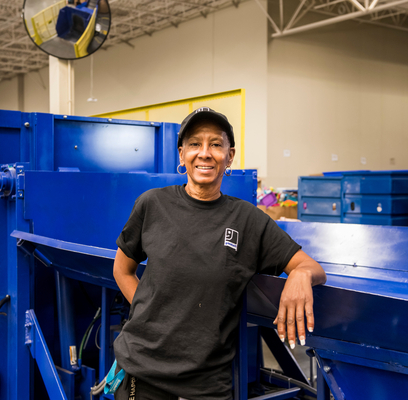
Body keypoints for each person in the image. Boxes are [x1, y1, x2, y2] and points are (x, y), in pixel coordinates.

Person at [111, 107, 326, 400]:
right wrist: (153, 311)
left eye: (215, 144)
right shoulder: (152, 205)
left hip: (206, 384)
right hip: (143, 371)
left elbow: (311, 267)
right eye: (195, 144)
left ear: (230, 156)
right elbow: (122, 269)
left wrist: (300, 275)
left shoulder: (247, 219)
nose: (205, 153)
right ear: (182, 154)